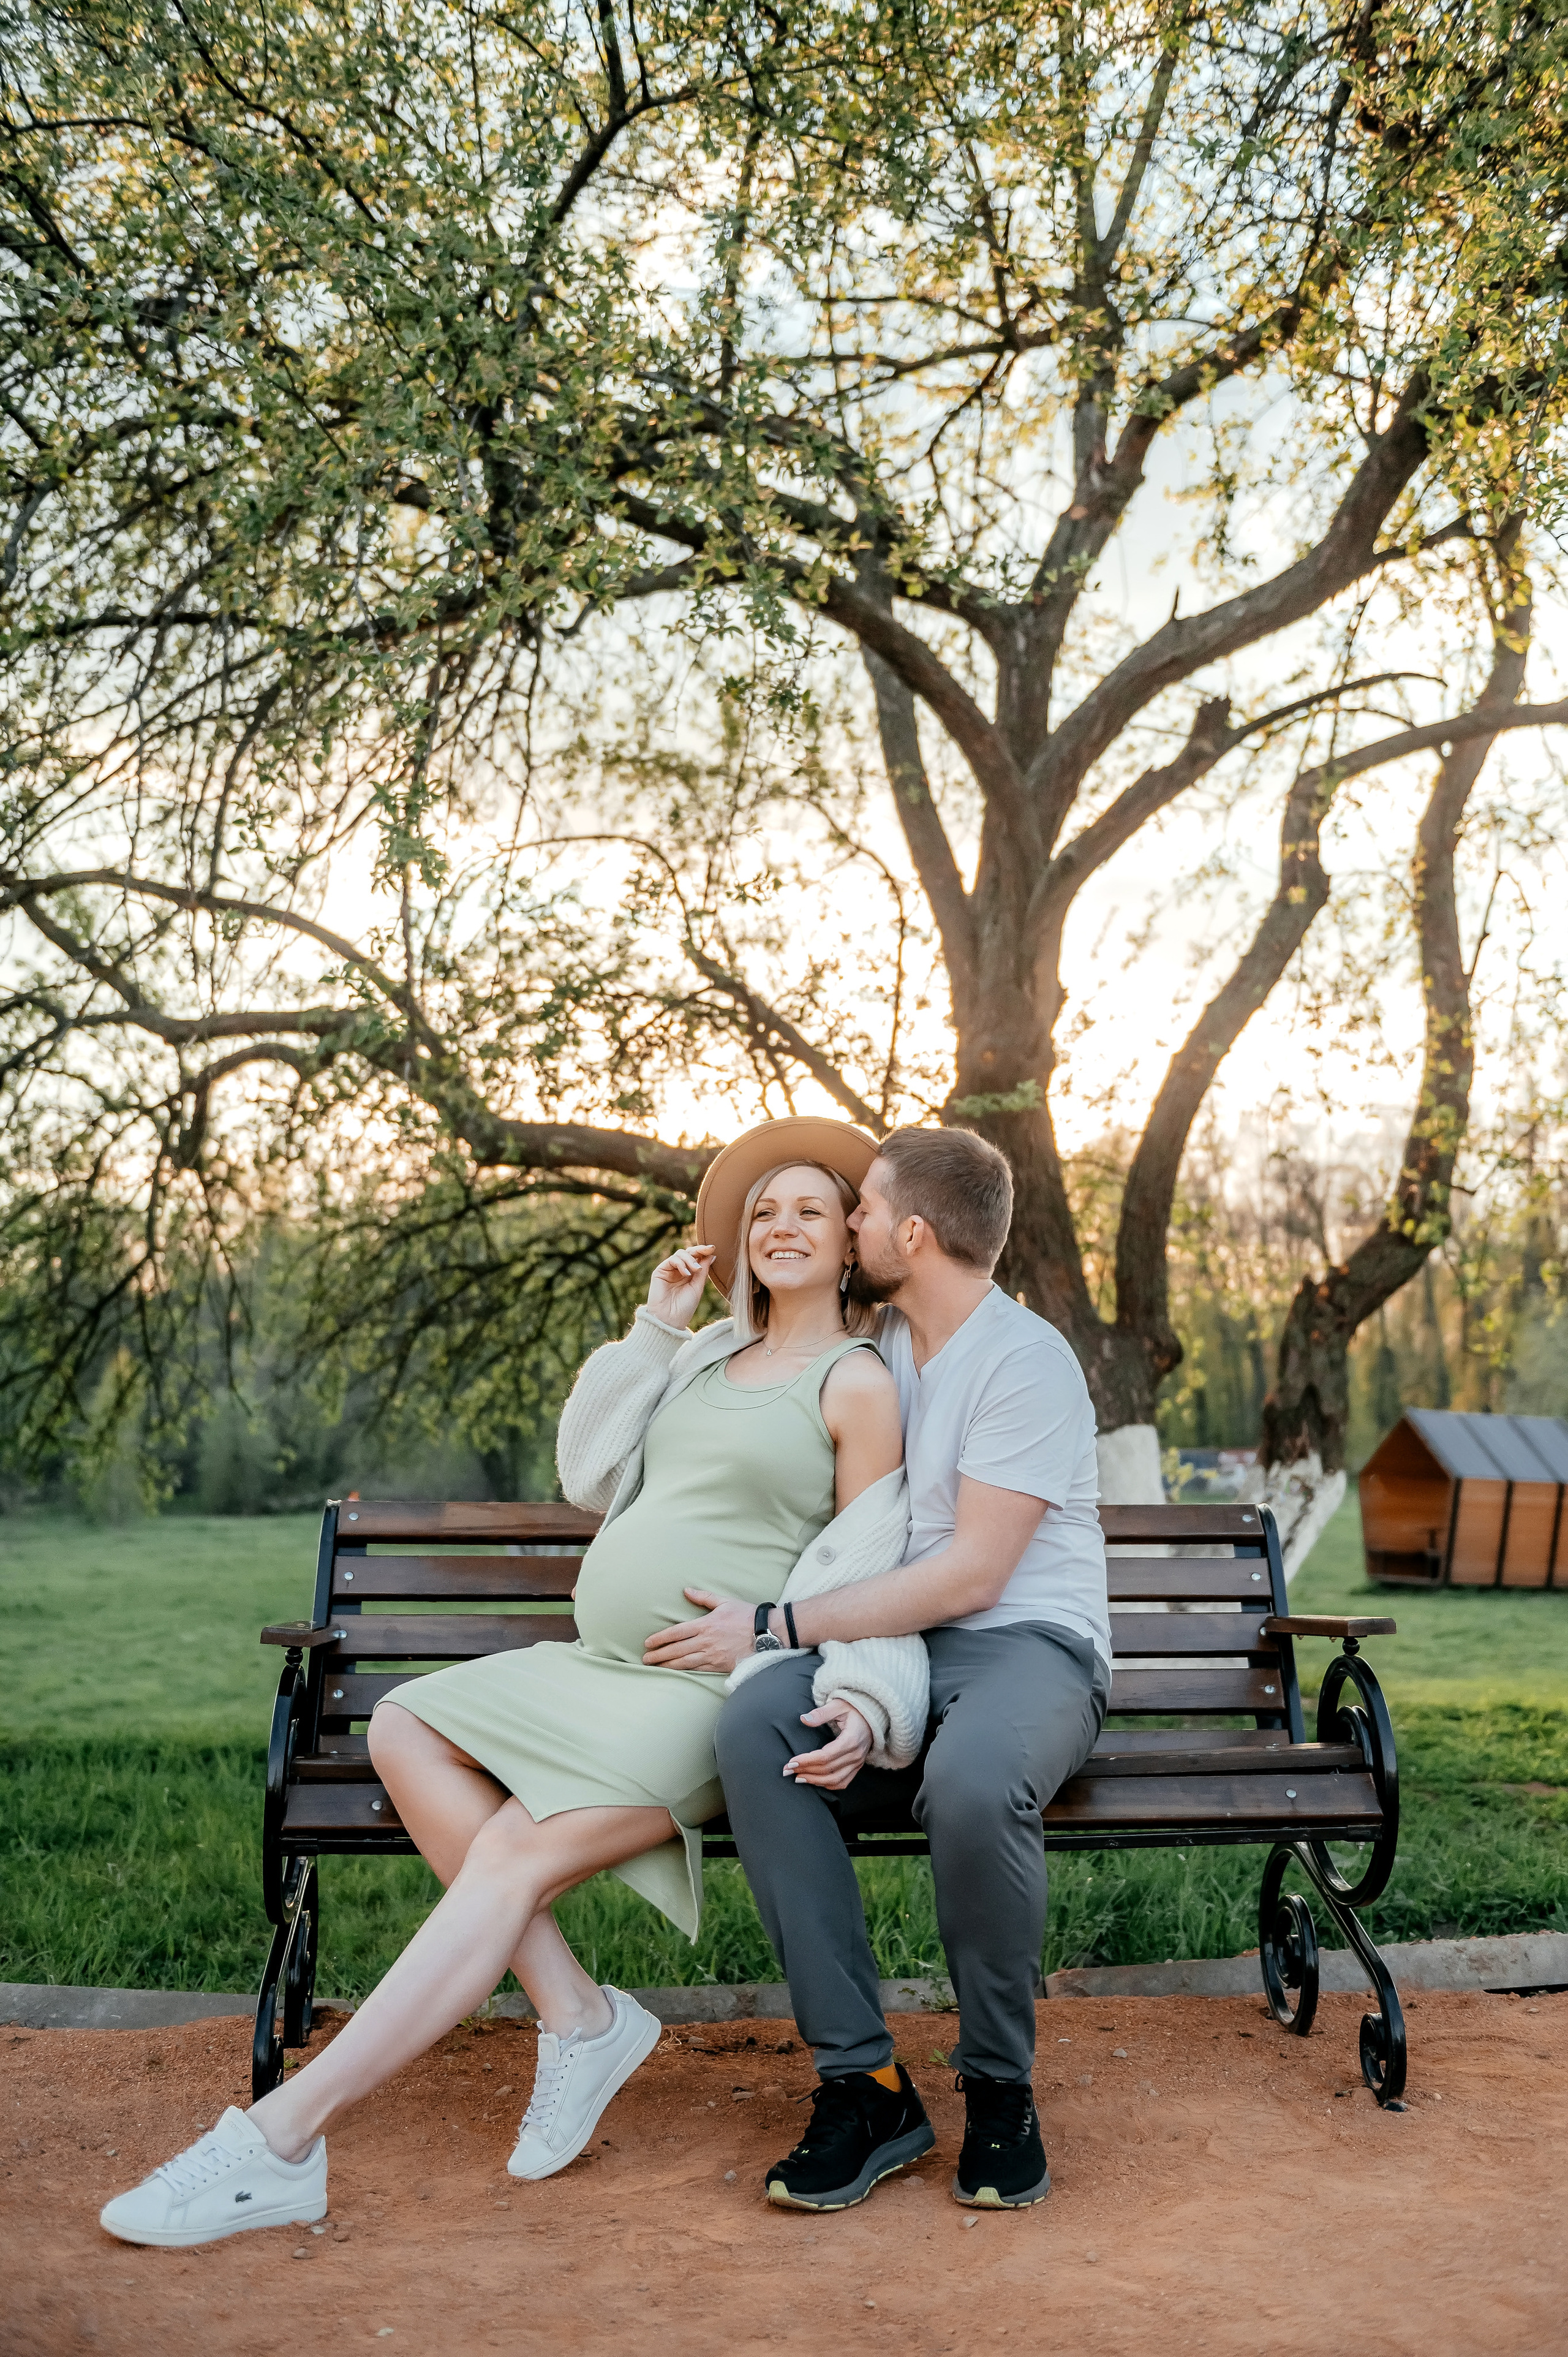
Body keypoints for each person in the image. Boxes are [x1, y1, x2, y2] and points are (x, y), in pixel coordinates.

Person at [99, 1119, 929, 2250]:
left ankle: (280, 2141)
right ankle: (579, 2016)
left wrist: (828, 1676)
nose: (782, 1228)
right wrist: (655, 1327)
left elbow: (875, 1562)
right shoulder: (701, 1356)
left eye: (810, 1212)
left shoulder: (859, 1381)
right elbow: (587, 1474)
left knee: (506, 1858)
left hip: (703, 1696)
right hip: (592, 1668)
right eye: (764, 1213)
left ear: (848, 1243)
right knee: (404, 1726)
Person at [647, 1125, 1110, 2214]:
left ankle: (998, 2089)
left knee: (972, 1779)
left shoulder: (1025, 1360)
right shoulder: (883, 1344)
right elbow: (864, 1539)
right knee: (757, 1727)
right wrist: (860, 1690)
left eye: (861, 1208)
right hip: (903, 1646)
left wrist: (779, 1623)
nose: (848, 1224)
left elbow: (972, 1577)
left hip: (1031, 1647)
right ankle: (865, 2087)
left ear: (914, 1233)